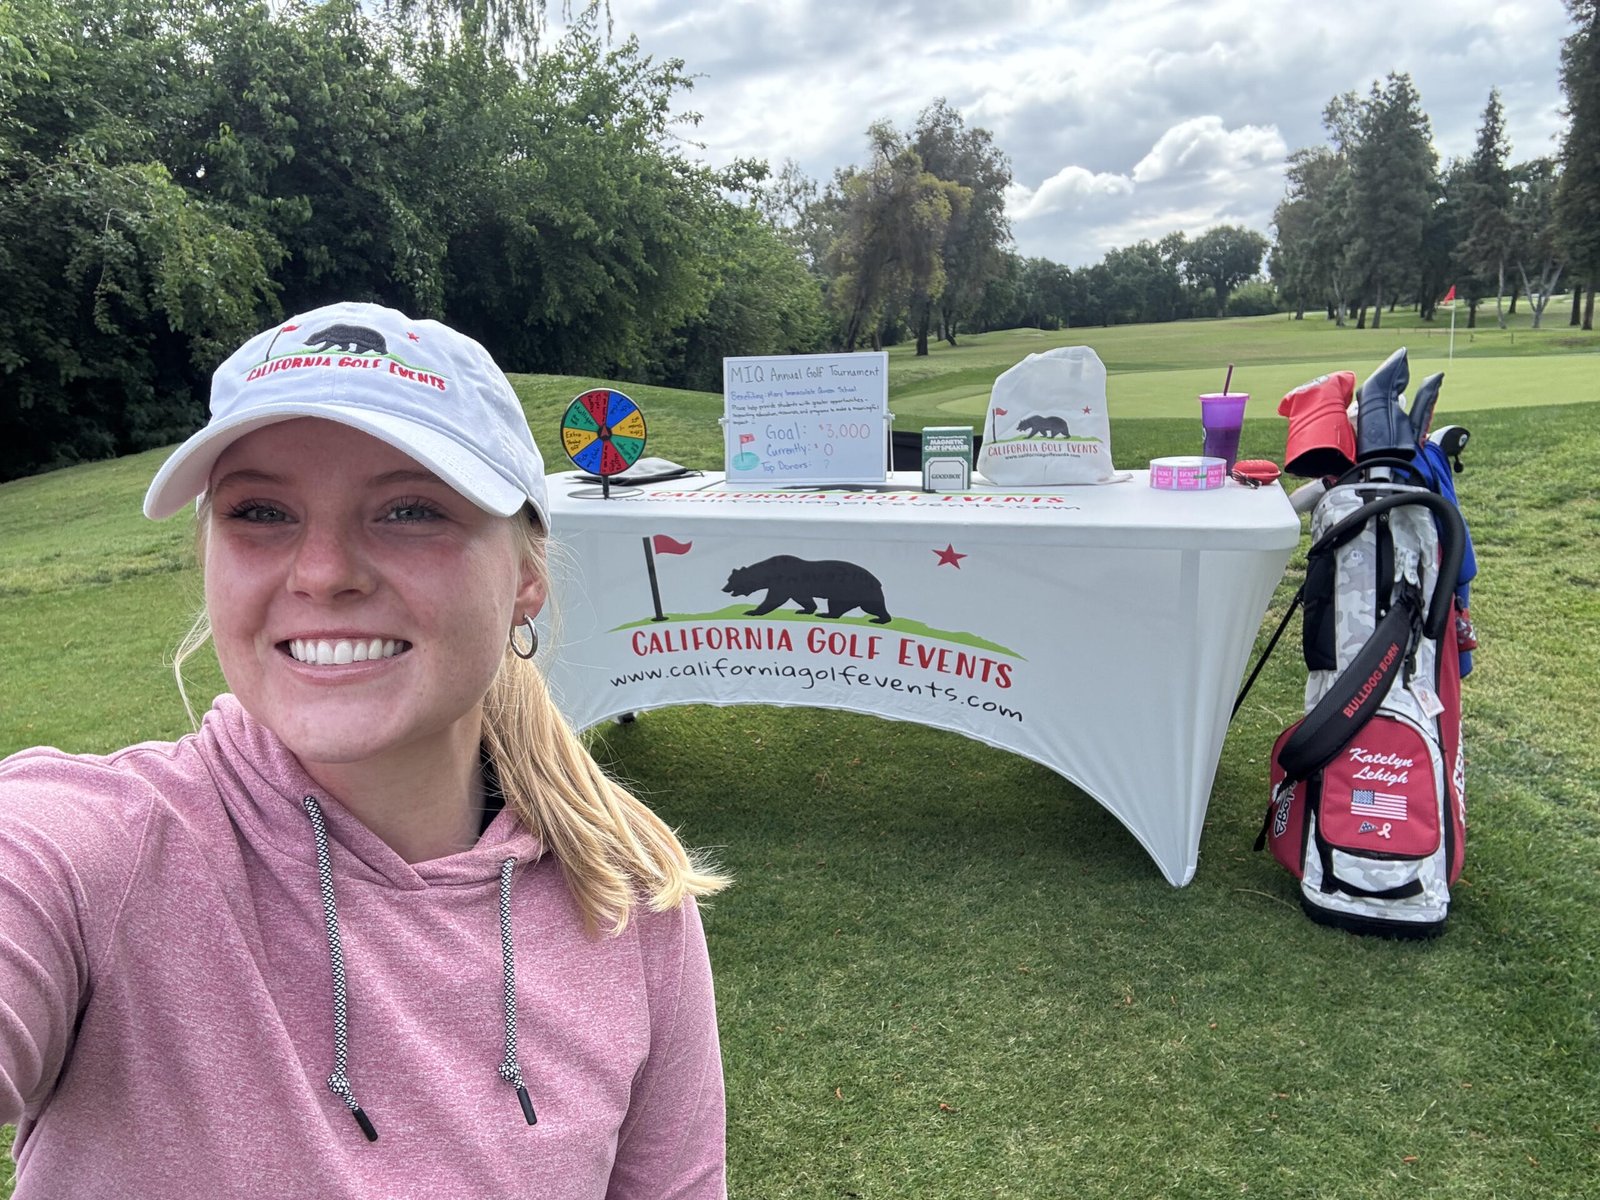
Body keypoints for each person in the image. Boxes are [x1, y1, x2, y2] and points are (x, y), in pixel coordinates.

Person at [0, 302, 730, 1198]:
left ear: (526, 577)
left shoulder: (629, 899)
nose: (322, 572)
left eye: (410, 510)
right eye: (261, 511)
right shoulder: (93, 854)